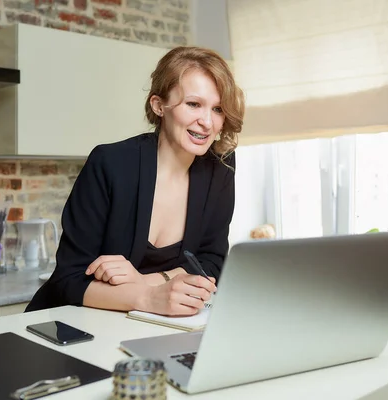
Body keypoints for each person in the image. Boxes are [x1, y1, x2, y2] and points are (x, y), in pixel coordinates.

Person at [26, 46, 245, 316]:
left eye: (218, 109)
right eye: (193, 104)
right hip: (66, 327)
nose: (207, 122)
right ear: (158, 105)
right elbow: (68, 280)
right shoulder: (110, 163)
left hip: (145, 329)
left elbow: (211, 264)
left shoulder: (220, 167)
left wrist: (144, 282)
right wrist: (149, 297)